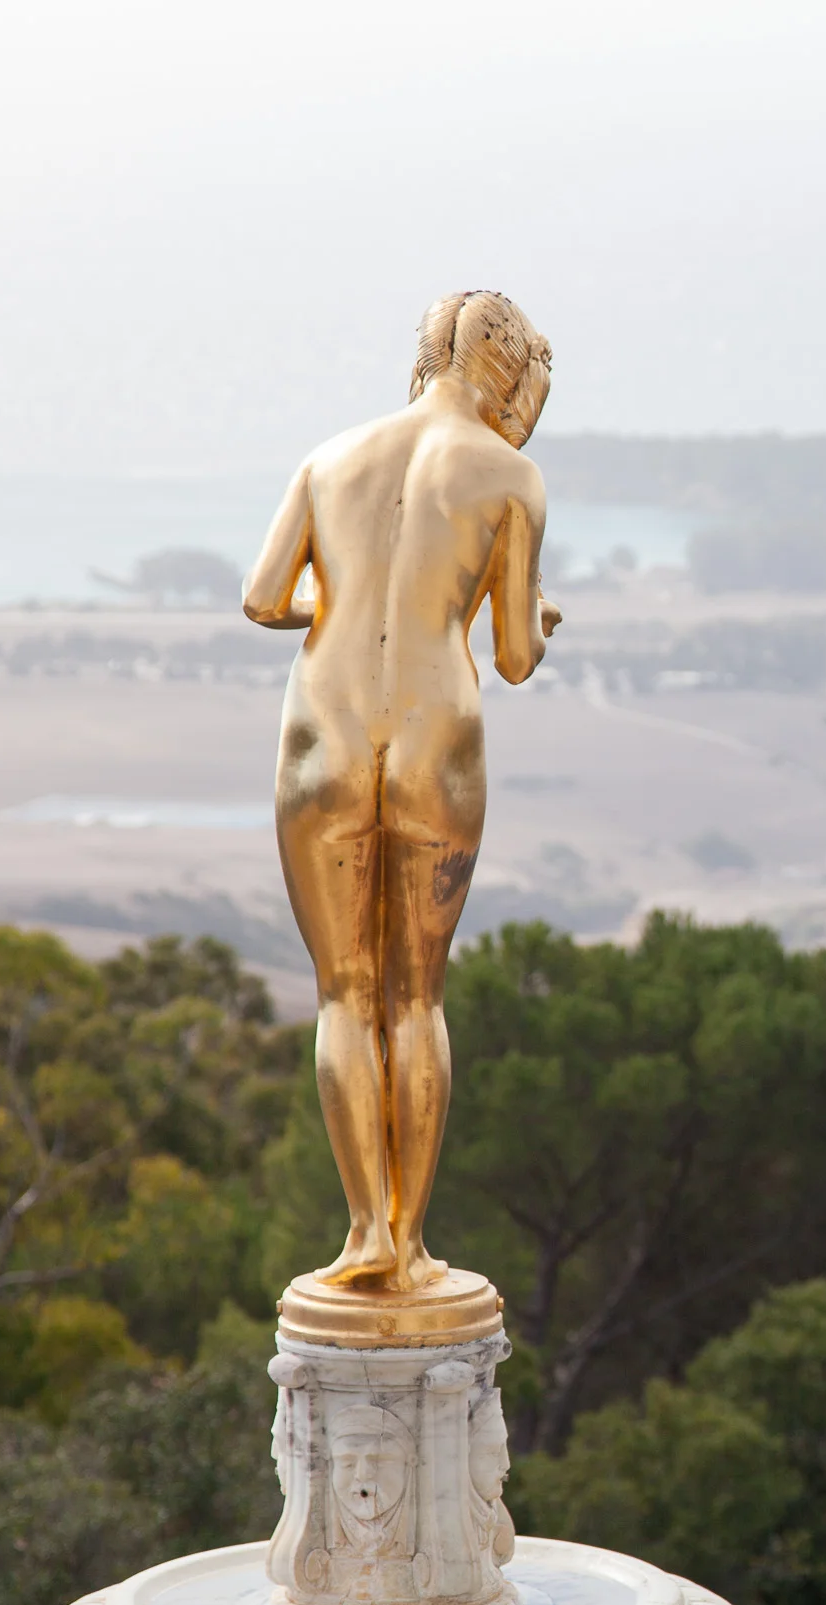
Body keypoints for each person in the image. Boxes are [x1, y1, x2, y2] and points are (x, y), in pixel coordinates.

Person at [245, 292, 562, 1292]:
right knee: (414, 994)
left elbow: (264, 599)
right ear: (510, 373)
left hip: (322, 728)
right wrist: (537, 616)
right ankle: (406, 1242)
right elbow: (513, 655)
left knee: (344, 992)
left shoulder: (329, 457)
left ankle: (358, 1235)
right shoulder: (511, 476)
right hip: (434, 735)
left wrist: (340, 604)